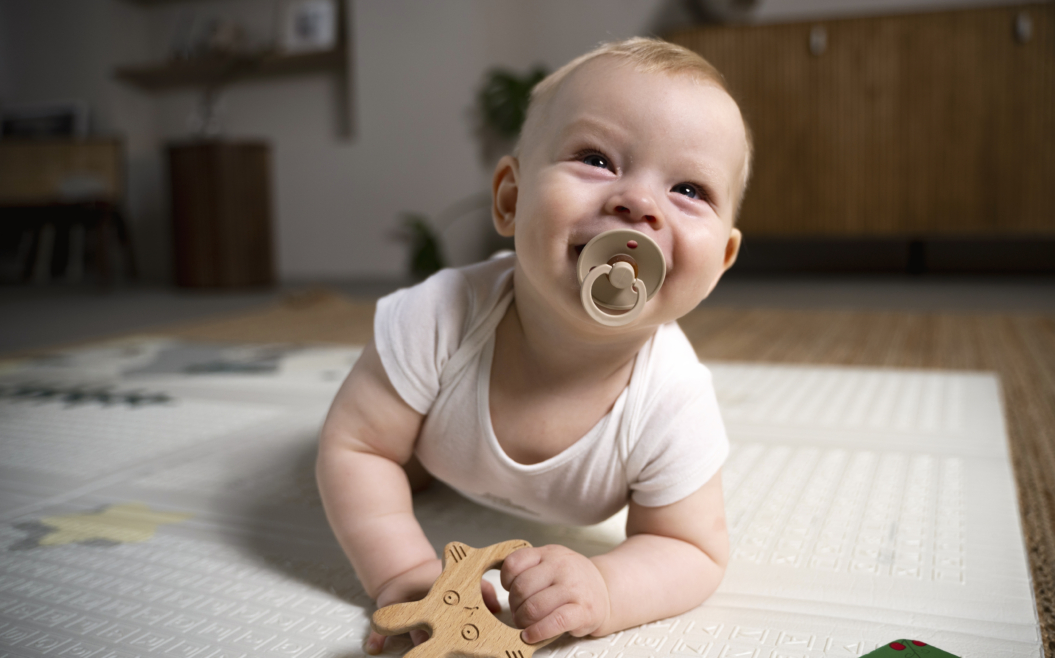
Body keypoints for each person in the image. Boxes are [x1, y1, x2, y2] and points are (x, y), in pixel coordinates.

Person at [317, 36, 752, 656]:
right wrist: (403, 574)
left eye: (689, 190)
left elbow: (692, 549)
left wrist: (603, 586)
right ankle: (413, 451)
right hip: (431, 448)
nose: (640, 202)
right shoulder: (438, 316)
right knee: (387, 442)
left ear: (722, 262)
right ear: (511, 200)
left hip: (476, 456)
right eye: (598, 159)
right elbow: (355, 447)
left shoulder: (672, 399)